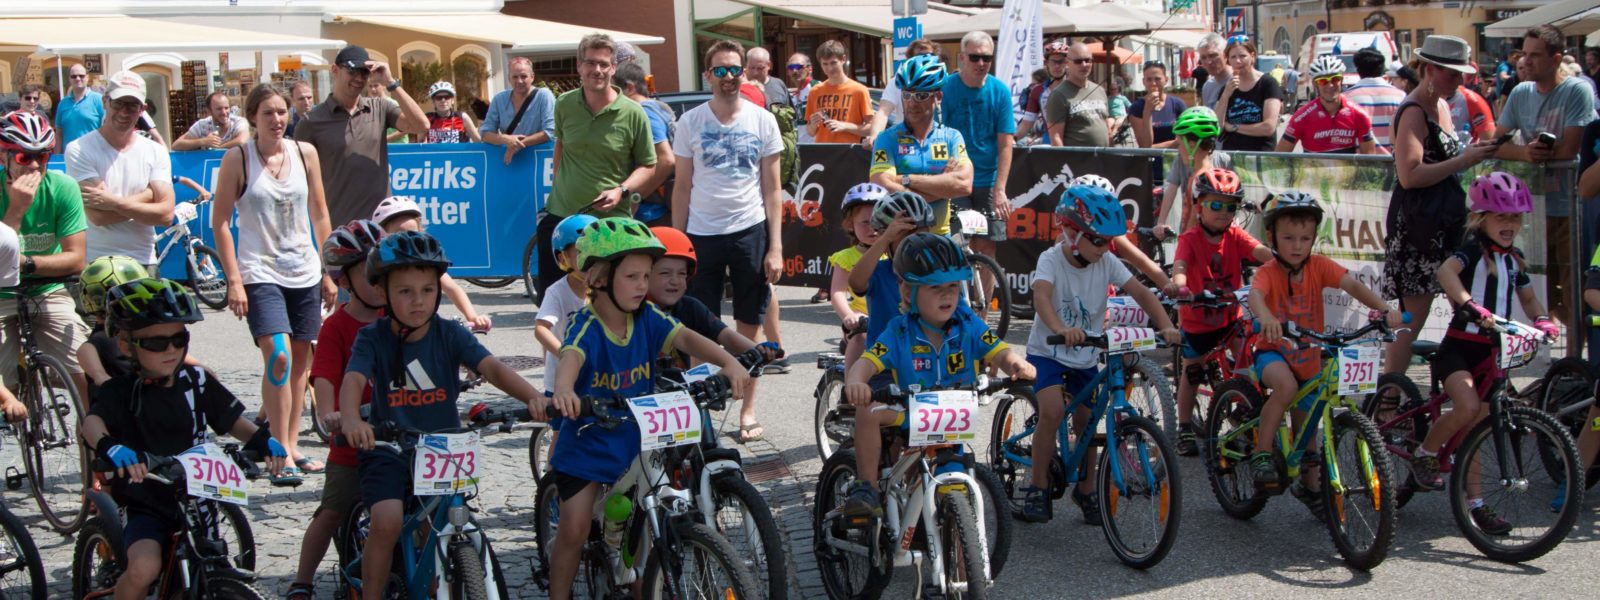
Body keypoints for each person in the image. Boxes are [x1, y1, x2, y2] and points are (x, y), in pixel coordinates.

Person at [544, 218, 753, 600]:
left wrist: (730, 362)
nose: (643, 286)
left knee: (644, 514)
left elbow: (686, 336)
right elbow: (569, 356)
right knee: (573, 528)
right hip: (588, 442)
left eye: (646, 276)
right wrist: (564, 391)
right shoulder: (585, 325)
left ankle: (636, 573)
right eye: (633, 277)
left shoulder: (648, 318)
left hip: (636, 437)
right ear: (600, 278)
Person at [338, 231, 542, 600]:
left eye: (427, 290)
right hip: (390, 449)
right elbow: (353, 378)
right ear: (382, 293)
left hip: (443, 450)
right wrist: (352, 418)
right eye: (405, 291)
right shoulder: (373, 337)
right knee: (386, 522)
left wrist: (535, 398)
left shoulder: (450, 334)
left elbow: (492, 368)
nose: (418, 300)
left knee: (444, 525)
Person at [79, 277, 289, 600]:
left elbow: (232, 420)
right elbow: (92, 423)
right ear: (126, 345)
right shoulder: (121, 391)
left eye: (179, 339)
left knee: (198, 572)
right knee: (144, 569)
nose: (171, 350)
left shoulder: (197, 380)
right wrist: (110, 445)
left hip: (197, 500)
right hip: (145, 504)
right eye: (156, 343)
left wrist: (264, 439)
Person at [838, 232, 1035, 520]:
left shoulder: (967, 323)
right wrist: (855, 381)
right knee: (868, 412)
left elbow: (997, 349)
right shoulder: (899, 330)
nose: (947, 295)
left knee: (954, 484)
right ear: (909, 293)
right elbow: (867, 362)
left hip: (953, 418)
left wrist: (1015, 363)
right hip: (909, 413)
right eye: (936, 288)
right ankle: (866, 487)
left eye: (953, 287)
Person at [1012, 185, 1177, 524]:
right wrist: (1060, 327)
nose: (1106, 248)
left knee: (1087, 420)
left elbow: (1142, 293)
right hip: (1050, 352)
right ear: (1071, 233)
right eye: (1098, 240)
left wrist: (1165, 325)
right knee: (1053, 410)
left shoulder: (1107, 261)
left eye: (1109, 241)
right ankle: (1038, 487)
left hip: (1086, 355)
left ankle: (1086, 490)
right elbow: (1041, 298)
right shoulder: (1051, 260)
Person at [1405, 173, 1557, 536]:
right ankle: (1425, 454)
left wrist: (1542, 320)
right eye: (1501, 217)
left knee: (1475, 428)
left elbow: (1529, 298)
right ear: (1481, 218)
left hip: (1493, 352)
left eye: (1516, 218)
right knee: (1468, 408)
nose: (1510, 225)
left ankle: (1476, 505)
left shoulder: (1513, 260)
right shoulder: (1473, 249)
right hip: (1459, 347)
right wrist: (1470, 305)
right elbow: (1446, 272)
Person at [211, 84, 337, 485]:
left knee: (301, 362)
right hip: (259, 271)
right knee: (279, 356)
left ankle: (292, 444)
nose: (278, 120)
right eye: (268, 113)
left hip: (303, 269)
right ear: (252, 117)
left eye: (282, 112)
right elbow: (220, 223)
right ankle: (276, 449)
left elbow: (319, 214)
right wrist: (234, 279)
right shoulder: (238, 158)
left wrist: (328, 268)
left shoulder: (305, 153)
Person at [1247, 193, 1403, 507]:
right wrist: (1265, 317)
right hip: (1273, 352)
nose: (1296, 245)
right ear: (1272, 237)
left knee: (1310, 423)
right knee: (1287, 387)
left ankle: (1311, 488)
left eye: (1305, 238)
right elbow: (1255, 296)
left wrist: (1384, 309)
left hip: (1308, 355)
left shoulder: (1318, 266)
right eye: (1288, 238)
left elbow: (1353, 286)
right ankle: (1262, 453)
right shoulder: (1269, 271)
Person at [671, 41, 785, 440]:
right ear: (708, 76)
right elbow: (681, 187)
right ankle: (697, 412)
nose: (729, 77)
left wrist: (775, 246)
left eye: (734, 69)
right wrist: (676, 245)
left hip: (749, 230)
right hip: (701, 234)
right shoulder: (690, 123)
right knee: (696, 325)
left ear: (745, 72)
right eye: (720, 70)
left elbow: (773, 190)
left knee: (749, 326)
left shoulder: (762, 120)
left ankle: (748, 410)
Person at [1381, 35, 1500, 383]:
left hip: (1445, 222)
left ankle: (1468, 386)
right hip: (1419, 229)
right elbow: (1410, 175)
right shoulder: (1414, 110)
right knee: (1411, 320)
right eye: (1453, 74)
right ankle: (1388, 399)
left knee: (1468, 308)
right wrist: (1465, 158)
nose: (1459, 82)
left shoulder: (1444, 105)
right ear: (1430, 70)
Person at [286, 219, 386, 600]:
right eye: (369, 273)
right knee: (332, 511)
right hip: (352, 442)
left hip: (401, 434)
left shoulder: (400, 318)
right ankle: (302, 580)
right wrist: (331, 414)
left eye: (383, 270)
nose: (379, 281)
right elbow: (324, 377)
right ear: (343, 282)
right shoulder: (337, 327)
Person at [1163, 168, 1273, 456]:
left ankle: (1241, 412)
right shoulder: (1190, 239)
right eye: (1215, 205)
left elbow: (1260, 251)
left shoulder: (1235, 235)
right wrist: (1180, 285)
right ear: (1199, 205)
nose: (1223, 213)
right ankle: (1184, 427)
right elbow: (1181, 267)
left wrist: (1284, 260)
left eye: (1230, 207)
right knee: (1193, 373)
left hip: (1230, 317)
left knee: (1248, 360)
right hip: (1198, 320)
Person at [538, 33, 658, 298]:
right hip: (563, 218)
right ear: (579, 66)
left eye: (604, 64)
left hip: (610, 224)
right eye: (591, 63)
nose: (597, 70)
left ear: (614, 68)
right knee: (554, 302)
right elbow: (561, 144)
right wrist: (557, 186)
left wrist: (621, 191)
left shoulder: (634, 112)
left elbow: (649, 165)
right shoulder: (564, 104)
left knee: (610, 302)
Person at [1, 111, 90, 402]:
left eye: (44, 155)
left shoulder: (63, 187)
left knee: (88, 379)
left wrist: (24, 263)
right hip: (2, 297)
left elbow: (76, 259)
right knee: (5, 389)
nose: (36, 165)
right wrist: (16, 209)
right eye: (25, 157)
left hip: (47, 290)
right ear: (4, 157)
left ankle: (93, 445)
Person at [294, 45, 428, 227]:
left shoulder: (380, 108)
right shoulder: (311, 122)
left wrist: (391, 82)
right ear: (335, 70)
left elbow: (421, 125)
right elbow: (299, 180)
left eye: (364, 73)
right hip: (340, 228)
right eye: (352, 71)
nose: (359, 78)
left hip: (382, 225)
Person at [65, 71, 175, 269]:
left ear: (143, 109)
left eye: (132, 106)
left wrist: (112, 201)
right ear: (105, 102)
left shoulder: (156, 150)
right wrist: (147, 196)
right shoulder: (79, 149)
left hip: (144, 261)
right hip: (97, 262)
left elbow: (166, 215)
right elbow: (98, 217)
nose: (124, 112)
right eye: (118, 103)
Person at [942, 31, 1016, 291]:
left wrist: (1000, 190)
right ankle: (958, 308)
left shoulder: (999, 91)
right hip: (957, 180)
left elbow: (1006, 143)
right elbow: (938, 133)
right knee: (957, 244)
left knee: (986, 249)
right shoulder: (947, 88)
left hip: (988, 179)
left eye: (987, 57)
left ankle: (982, 318)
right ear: (962, 58)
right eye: (975, 57)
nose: (981, 63)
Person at [869, 55, 973, 237]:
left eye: (921, 95)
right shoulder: (887, 138)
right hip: (900, 239)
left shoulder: (951, 137)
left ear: (938, 96)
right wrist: (942, 187)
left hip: (941, 237)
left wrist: (905, 179)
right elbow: (882, 184)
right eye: (907, 95)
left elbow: (963, 184)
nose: (911, 103)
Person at [370, 196, 491, 331]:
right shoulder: (378, 266)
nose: (407, 240)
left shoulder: (427, 263)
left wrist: (472, 316)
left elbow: (452, 288)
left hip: (423, 327)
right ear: (382, 237)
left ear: (421, 232)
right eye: (398, 235)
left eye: (412, 234)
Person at [535, 214, 596, 397]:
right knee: (562, 424)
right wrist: (566, 355)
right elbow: (541, 329)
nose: (590, 257)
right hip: (561, 382)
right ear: (563, 258)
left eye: (596, 250)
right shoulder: (558, 292)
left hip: (597, 376)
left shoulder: (608, 288)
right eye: (581, 251)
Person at [830, 183, 887, 369]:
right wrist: (848, 315)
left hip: (892, 317)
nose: (873, 228)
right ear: (850, 224)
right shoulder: (846, 258)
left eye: (879, 221)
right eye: (865, 222)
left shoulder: (895, 253)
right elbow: (838, 292)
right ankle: (851, 386)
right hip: (862, 319)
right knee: (861, 338)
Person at [1153, 107, 1232, 238]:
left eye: (1179, 143)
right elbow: (1171, 189)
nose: (1178, 149)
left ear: (1191, 145)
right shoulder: (1181, 161)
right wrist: (1161, 221)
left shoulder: (1222, 161)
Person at [613, 62, 677, 224]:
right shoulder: (657, 108)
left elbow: (666, 160)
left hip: (653, 213)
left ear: (629, 87)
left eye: (614, 90)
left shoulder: (645, 113)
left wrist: (636, 198)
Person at [1276, 55, 1376, 154]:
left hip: (1347, 170)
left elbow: (1370, 160)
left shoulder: (1359, 115)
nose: (1330, 85)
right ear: (1315, 84)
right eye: (1323, 81)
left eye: (1335, 79)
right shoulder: (1301, 117)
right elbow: (1278, 158)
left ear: (1342, 80)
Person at [867, 38, 942, 149]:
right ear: (910, 59)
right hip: (904, 141)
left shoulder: (942, 80)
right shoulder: (898, 81)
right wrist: (875, 136)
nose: (924, 60)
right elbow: (883, 112)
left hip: (935, 141)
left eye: (928, 55)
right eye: (918, 56)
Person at [481, 57, 556, 165]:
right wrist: (505, 139)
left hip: (539, 162)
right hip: (509, 162)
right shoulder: (499, 99)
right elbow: (485, 133)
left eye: (523, 76)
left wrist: (515, 145)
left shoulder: (544, 96)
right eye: (515, 77)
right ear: (509, 78)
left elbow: (551, 131)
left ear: (532, 77)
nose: (519, 81)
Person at [1214, 37, 1283, 152]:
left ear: (1252, 56)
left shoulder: (1268, 84)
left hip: (1261, 156)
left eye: (1242, 56)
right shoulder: (1227, 88)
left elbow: (1268, 127)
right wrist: (1225, 96)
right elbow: (1217, 128)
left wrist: (1234, 127)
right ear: (1228, 61)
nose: (1238, 61)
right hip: (1232, 156)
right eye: (1233, 57)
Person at [805, 40, 873, 145]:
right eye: (825, 64)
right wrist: (813, 125)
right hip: (823, 153)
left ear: (843, 59)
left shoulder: (859, 90)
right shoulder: (815, 91)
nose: (829, 68)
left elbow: (872, 128)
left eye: (833, 63)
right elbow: (810, 132)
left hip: (849, 153)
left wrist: (845, 126)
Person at [1045, 42, 1110, 147]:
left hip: (1103, 160)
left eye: (1087, 60)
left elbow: (1106, 128)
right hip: (1076, 161)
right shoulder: (1058, 95)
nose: (1084, 65)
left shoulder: (1100, 90)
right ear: (1067, 63)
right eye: (1078, 61)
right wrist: (1064, 161)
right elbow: (1056, 137)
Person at [1346, 47, 1407, 152]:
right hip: (1394, 163)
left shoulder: (1347, 98)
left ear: (1358, 70)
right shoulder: (1401, 96)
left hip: (1361, 164)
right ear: (1382, 68)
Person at [1130, 62, 1188, 149]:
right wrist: (1147, 111)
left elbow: (1185, 139)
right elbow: (1145, 145)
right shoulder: (1137, 108)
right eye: (1149, 79)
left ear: (1166, 80)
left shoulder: (1177, 104)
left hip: (1175, 159)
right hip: (1150, 161)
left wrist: (1153, 148)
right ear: (1143, 82)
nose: (1153, 83)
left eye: (1157, 79)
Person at [171, 91, 248, 151]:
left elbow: (242, 141)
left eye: (226, 108)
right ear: (209, 111)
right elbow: (176, 145)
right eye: (219, 109)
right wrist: (203, 141)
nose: (224, 112)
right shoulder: (202, 125)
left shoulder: (238, 122)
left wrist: (217, 148)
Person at [54, 64, 103, 150]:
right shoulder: (63, 103)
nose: (78, 79)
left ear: (87, 77)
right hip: (69, 157)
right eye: (74, 76)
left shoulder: (98, 99)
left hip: (93, 155)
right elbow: (59, 133)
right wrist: (57, 157)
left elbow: (107, 128)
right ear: (69, 79)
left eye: (81, 76)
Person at [1196, 34, 1231, 109]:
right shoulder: (1207, 87)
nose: (1208, 62)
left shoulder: (1238, 80)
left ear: (1225, 55)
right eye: (1203, 58)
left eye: (1213, 55)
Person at [787, 52, 815, 141]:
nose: (795, 71)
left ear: (809, 69)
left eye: (799, 67)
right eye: (791, 67)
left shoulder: (816, 88)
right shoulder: (790, 95)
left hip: (815, 147)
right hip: (798, 148)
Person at [1107, 76, 1132, 146]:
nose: (1112, 91)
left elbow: (1131, 107)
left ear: (1118, 89)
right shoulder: (1108, 99)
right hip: (1112, 116)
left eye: (1114, 89)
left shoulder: (1122, 98)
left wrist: (1129, 114)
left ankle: (1113, 133)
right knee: (1108, 123)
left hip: (1121, 116)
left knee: (1118, 122)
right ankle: (1110, 138)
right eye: (1111, 89)